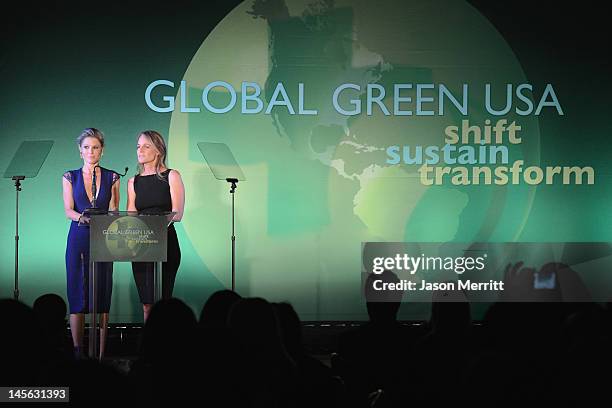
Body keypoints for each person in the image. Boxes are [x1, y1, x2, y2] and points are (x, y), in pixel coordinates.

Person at [63, 128, 120, 359]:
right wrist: (83, 217)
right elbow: (68, 210)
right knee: (78, 290)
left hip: (104, 236)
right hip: (78, 235)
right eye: (86, 147)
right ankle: (78, 352)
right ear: (80, 151)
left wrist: (108, 220)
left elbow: (115, 209)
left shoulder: (113, 177)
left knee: (102, 291)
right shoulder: (70, 176)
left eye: (95, 147)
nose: (91, 151)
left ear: (102, 151)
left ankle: (100, 353)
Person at [128, 130, 185, 322]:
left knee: (164, 301)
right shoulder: (132, 181)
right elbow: (131, 215)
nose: (140, 150)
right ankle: (150, 346)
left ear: (158, 150)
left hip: (165, 241)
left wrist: (155, 225)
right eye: (138, 146)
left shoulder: (172, 176)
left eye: (146, 146)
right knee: (147, 301)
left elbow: (177, 213)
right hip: (140, 245)